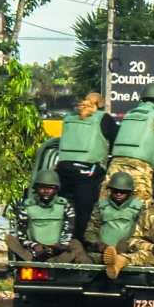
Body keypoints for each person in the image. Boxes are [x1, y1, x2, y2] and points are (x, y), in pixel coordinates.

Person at [104, 82, 154, 206]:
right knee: (142, 213)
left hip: (114, 168)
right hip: (139, 170)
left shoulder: (129, 115)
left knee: (107, 208)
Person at [55, 92, 117, 241]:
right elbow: (116, 140)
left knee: (60, 209)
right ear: (99, 105)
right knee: (86, 213)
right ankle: (79, 243)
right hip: (87, 172)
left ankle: (58, 241)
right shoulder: (103, 118)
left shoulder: (68, 118)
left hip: (63, 170)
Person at [5, 170, 90, 263]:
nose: (46, 191)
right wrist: (34, 245)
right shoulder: (26, 207)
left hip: (59, 251)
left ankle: (52, 262)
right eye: (42, 187)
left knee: (75, 244)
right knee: (10, 239)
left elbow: (68, 231)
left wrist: (58, 247)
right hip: (33, 250)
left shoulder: (65, 206)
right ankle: (34, 260)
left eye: (50, 188)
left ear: (56, 189)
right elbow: (21, 235)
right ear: (36, 188)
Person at [84, 171, 145, 278]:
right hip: (102, 252)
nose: (118, 194)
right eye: (115, 191)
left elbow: (143, 232)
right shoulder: (101, 206)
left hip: (128, 252)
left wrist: (131, 245)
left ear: (129, 192)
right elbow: (90, 231)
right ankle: (110, 260)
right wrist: (98, 244)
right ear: (110, 190)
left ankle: (115, 260)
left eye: (122, 191)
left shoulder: (139, 207)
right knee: (84, 258)